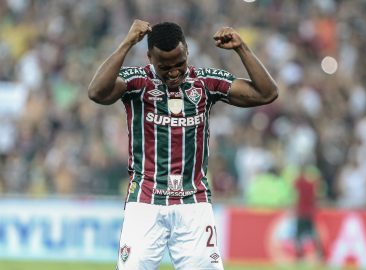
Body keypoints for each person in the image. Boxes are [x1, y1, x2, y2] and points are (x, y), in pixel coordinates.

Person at [88, 19, 278, 270]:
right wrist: (126, 44)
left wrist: (241, 48)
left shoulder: (205, 82)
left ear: (187, 51)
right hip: (145, 201)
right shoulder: (136, 82)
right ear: (150, 58)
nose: (174, 72)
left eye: (179, 63)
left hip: (193, 202)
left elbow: (267, 93)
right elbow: (97, 93)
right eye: (164, 67)